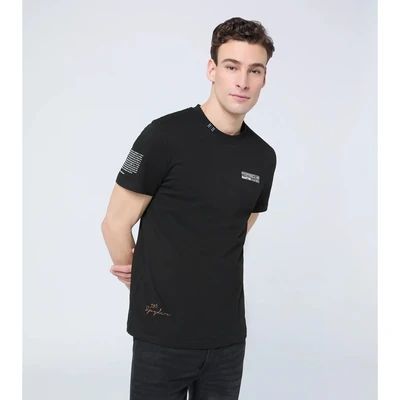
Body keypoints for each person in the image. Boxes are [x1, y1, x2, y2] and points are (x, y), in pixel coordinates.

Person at [101, 16, 277, 400]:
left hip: (227, 338)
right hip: (162, 336)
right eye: (231, 66)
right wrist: (143, 280)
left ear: (264, 78)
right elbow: (114, 223)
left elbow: (234, 231)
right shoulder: (163, 136)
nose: (242, 81)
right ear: (212, 70)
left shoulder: (263, 157)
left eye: (254, 70)